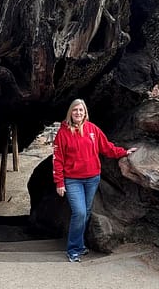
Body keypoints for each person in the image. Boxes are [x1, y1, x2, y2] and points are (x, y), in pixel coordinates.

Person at [52, 98, 137, 263]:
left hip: (92, 178)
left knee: (87, 212)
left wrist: (125, 153)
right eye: (75, 110)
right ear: (71, 113)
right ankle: (73, 249)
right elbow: (57, 159)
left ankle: (81, 245)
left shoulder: (92, 130)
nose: (78, 113)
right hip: (73, 180)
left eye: (81, 110)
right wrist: (59, 182)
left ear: (85, 113)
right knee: (80, 212)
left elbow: (107, 148)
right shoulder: (63, 133)